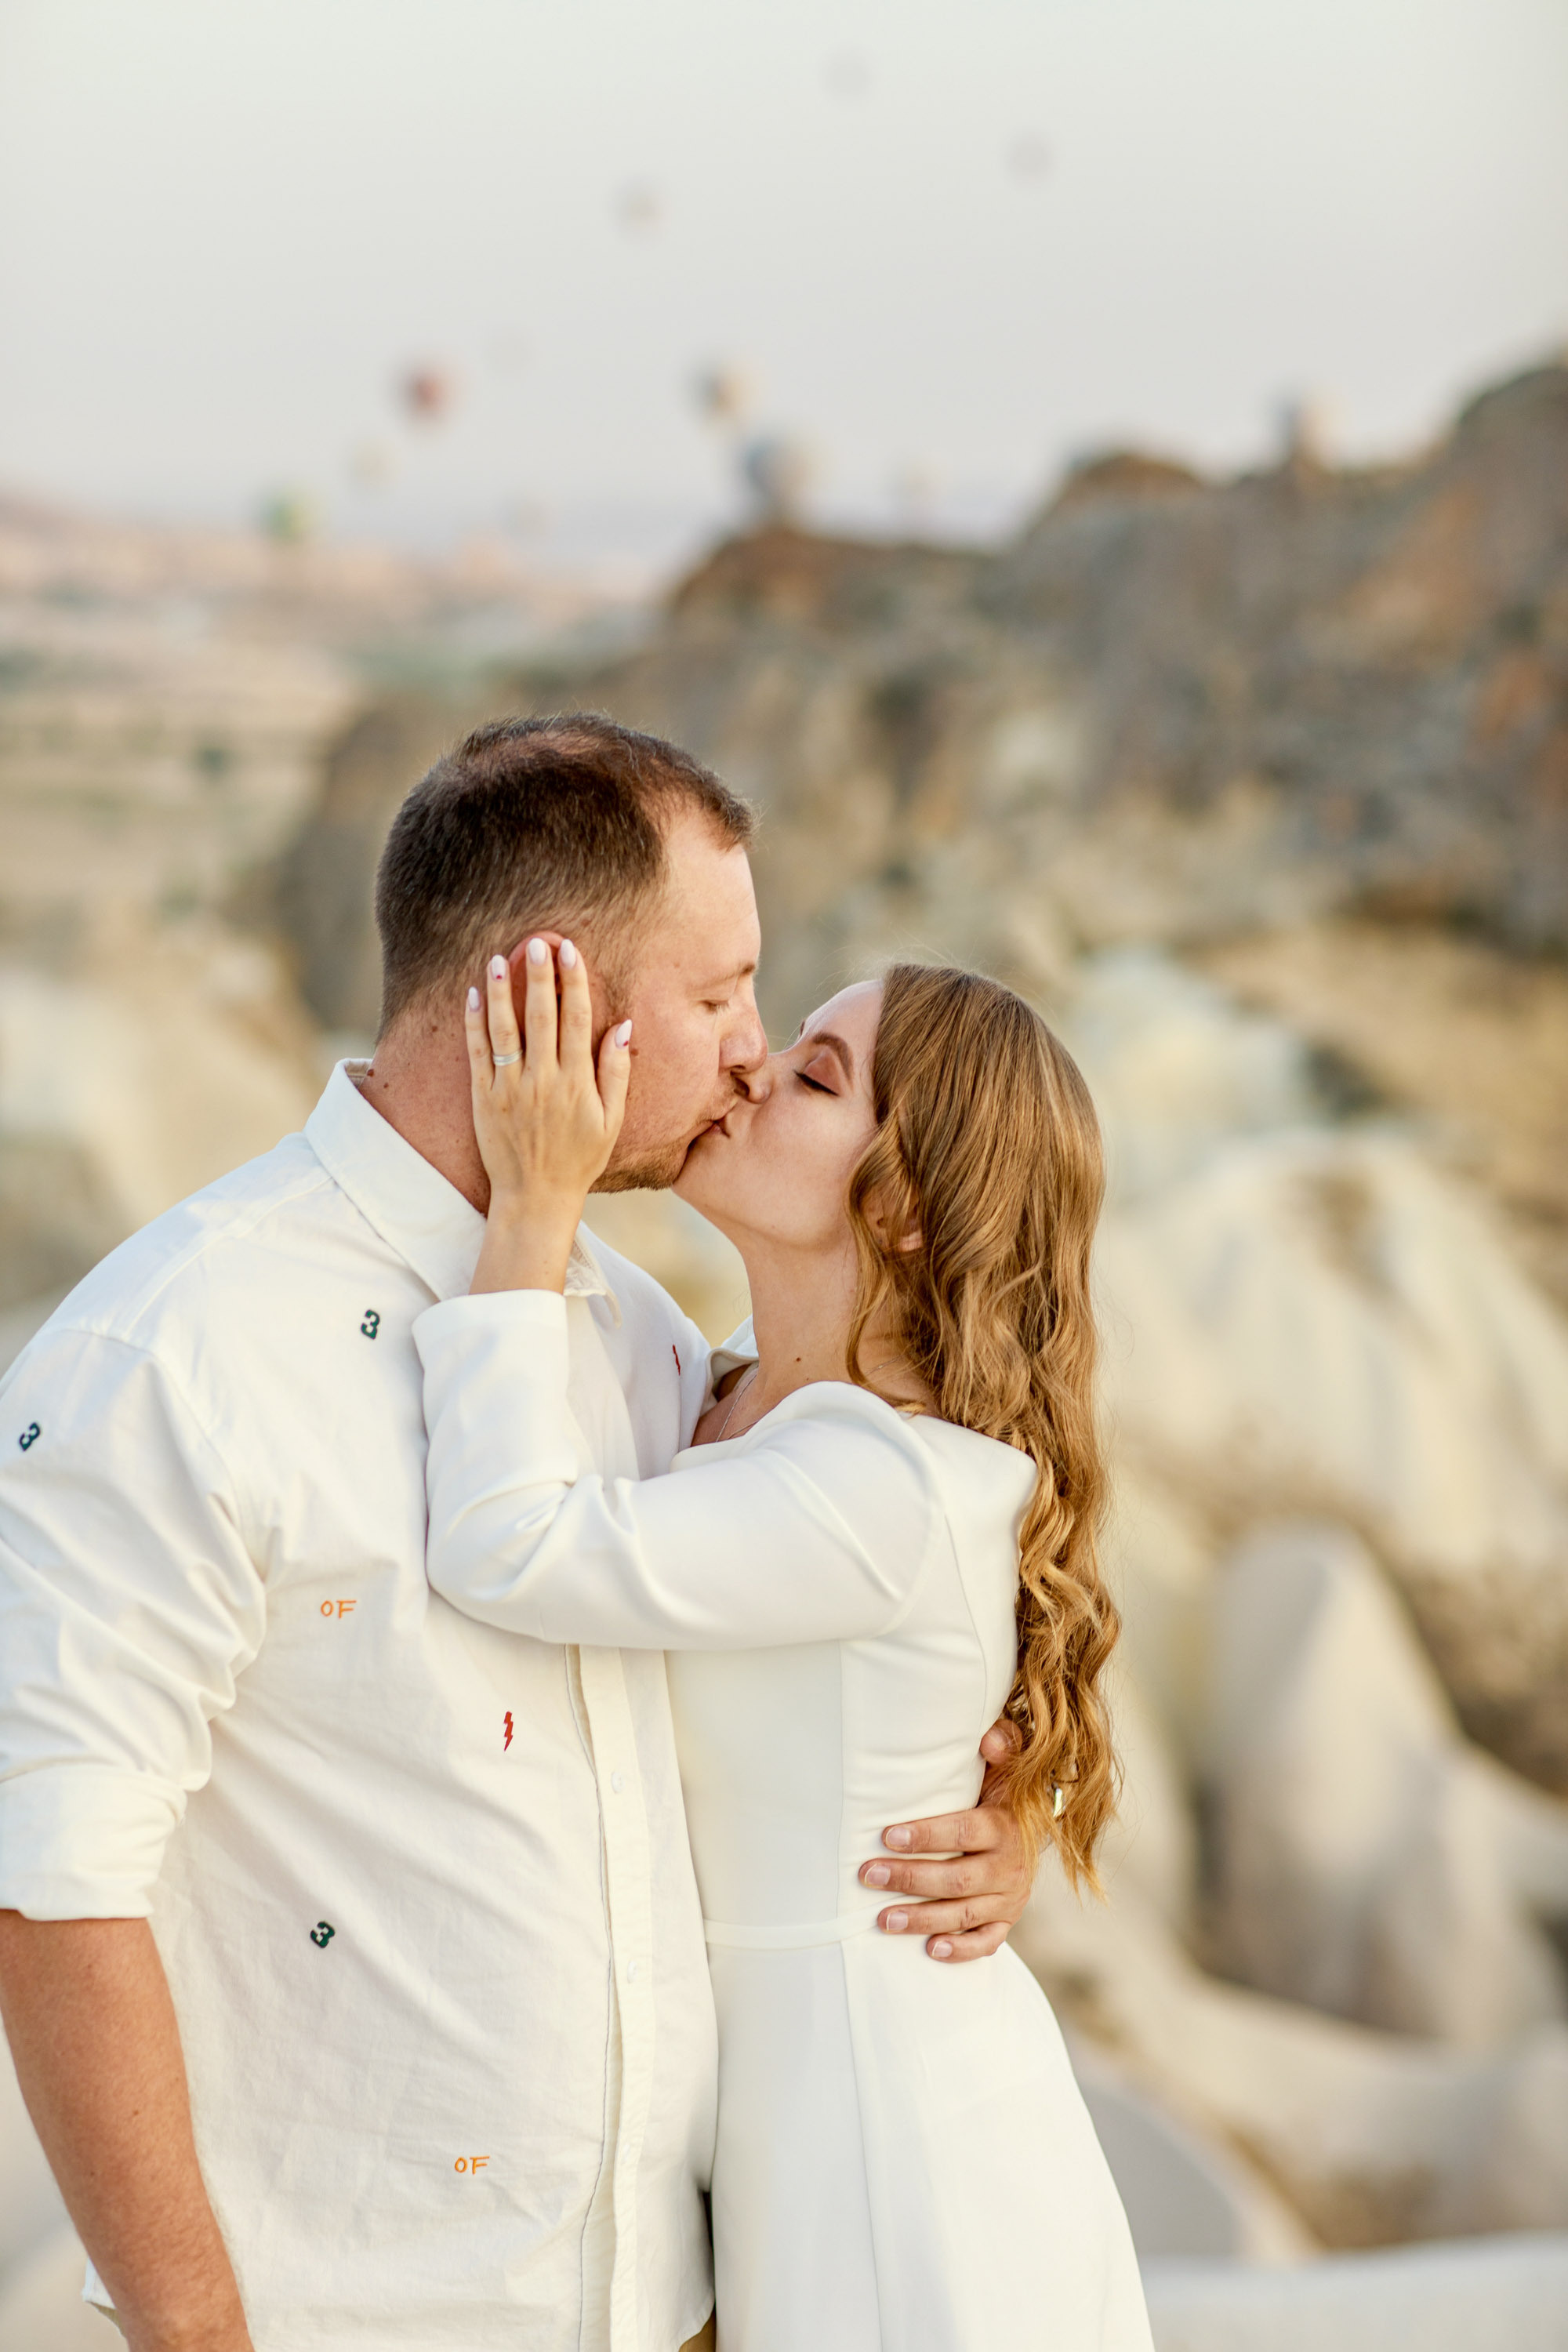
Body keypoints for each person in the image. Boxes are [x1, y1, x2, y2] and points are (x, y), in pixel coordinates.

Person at [0, 717, 1033, 2352]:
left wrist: (994, 1806)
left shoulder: (634, 1338)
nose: (752, 1052)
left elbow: (896, 1569)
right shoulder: (168, 1360)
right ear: (546, 1002)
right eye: (716, 997)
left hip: (689, 2307)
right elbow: (51, 1892)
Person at [412, 939, 1154, 2350]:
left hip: (892, 2153)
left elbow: (512, 1545)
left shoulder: (887, 1487)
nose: (751, 1066)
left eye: (817, 1075)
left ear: (914, 1212)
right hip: (785, 2115)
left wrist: (533, 1203)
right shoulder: (728, 1387)